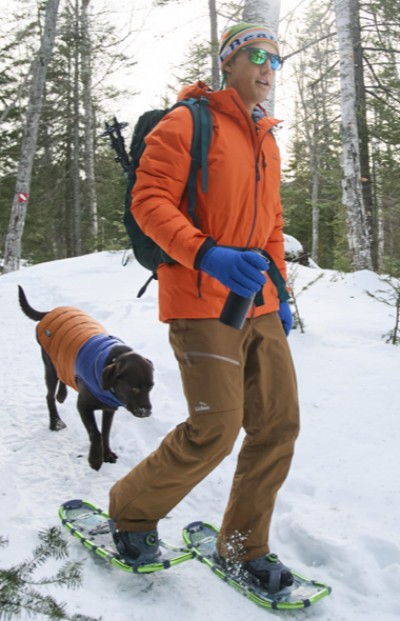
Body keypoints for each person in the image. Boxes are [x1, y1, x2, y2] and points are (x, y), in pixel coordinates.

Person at [109, 22, 300, 592]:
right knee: (217, 425)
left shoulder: (266, 135)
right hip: (199, 299)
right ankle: (130, 513)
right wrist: (205, 254)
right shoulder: (188, 121)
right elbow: (149, 202)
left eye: (277, 59)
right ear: (231, 62)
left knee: (278, 424)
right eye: (258, 55)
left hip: (257, 304)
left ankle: (243, 545)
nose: (269, 67)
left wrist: (281, 291)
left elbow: (271, 225)